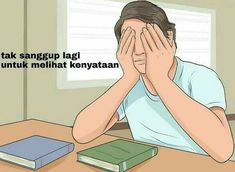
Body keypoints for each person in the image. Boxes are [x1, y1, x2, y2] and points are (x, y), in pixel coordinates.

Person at [72, 1, 234, 162]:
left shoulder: (200, 77)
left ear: (168, 37)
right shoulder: (131, 83)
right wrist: (127, 78)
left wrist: (160, 79)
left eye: (146, 38)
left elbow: (223, 151)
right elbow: (81, 134)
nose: (138, 50)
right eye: (129, 40)